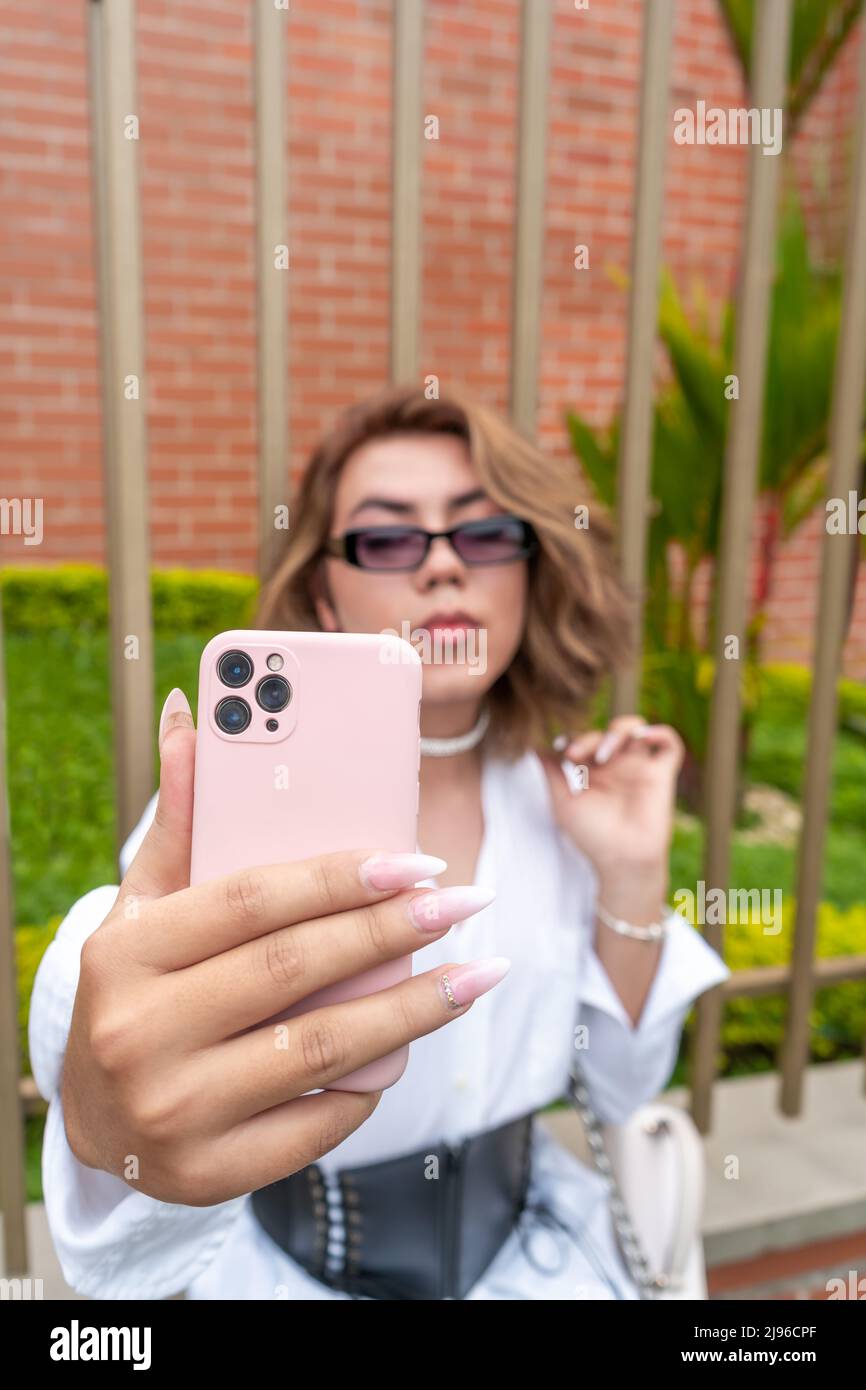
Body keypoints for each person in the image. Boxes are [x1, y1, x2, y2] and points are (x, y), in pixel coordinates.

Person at [29, 384, 730, 1300]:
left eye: (484, 534)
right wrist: (95, 1092)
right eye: (389, 538)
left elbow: (622, 1090)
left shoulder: (568, 802)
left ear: (529, 569)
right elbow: (139, 1090)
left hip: (551, 1265)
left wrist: (633, 874)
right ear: (324, 593)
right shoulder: (226, 817)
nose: (443, 567)